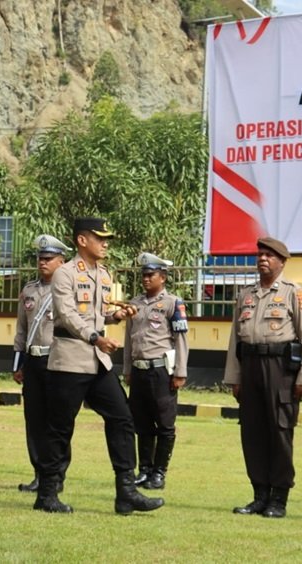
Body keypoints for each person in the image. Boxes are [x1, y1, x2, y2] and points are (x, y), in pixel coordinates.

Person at [34, 217, 164, 515]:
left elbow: (98, 312)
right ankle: (47, 493)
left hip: (98, 360)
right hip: (70, 359)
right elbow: (67, 315)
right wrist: (95, 337)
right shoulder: (64, 274)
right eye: (100, 238)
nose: (105, 243)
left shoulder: (104, 275)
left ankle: (126, 492)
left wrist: (117, 316)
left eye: (107, 238)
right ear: (82, 240)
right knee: (59, 428)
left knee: (122, 418)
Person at [225, 237, 302, 519]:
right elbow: (233, 340)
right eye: (260, 255)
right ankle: (259, 494)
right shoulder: (245, 295)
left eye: (270, 256)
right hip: (250, 366)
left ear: (282, 261)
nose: (263, 259)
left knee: (279, 432)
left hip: (281, 369)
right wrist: (234, 376)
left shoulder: (293, 293)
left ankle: (279, 497)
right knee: (252, 432)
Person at [122, 252, 189, 491]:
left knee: (165, 423)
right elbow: (129, 340)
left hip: (162, 371)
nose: (146, 279)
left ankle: (159, 472)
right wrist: (127, 369)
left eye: (151, 275)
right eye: (144, 275)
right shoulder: (135, 303)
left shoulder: (173, 303)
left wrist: (180, 372)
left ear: (163, 277)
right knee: (141, 423)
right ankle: (145, 469)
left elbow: (181, 339)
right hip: (139, 371)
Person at [12, 234, 71, 492]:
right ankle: (39, 474)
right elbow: (21, 330)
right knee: (34, 420)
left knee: (56, 421)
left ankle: (56, 476)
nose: (42, 263)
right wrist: (18, 364)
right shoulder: (29, 290)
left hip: (58, 360)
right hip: (34, 361)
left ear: (62, 261)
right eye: (40, 258)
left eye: (48, 259)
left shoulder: (68, 290)